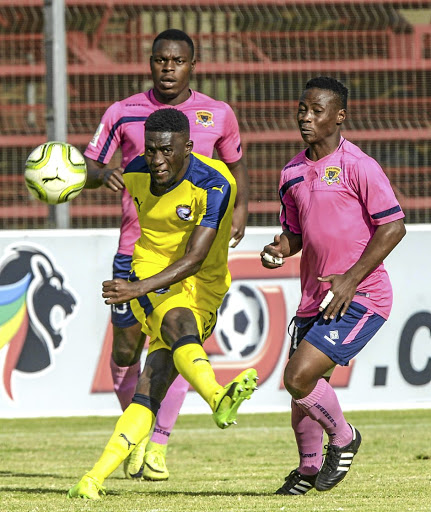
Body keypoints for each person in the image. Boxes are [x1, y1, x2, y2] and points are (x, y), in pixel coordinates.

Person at [83, 29, 248, 481]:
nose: (168, 68)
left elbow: (233, 167)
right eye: (160, 60)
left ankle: (156, 445)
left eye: (177, 61)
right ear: (150, 62)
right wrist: (104, 176)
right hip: (135, 249)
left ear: (193, 65)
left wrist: (241, 210)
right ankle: (139, 432)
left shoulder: (218, 113)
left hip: (190, 253)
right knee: (125, 350)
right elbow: (90, 166)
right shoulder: (123, 112)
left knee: (176, 336)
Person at [261, 76, 406, 495]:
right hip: (316, 298)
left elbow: (393, 227)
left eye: (316, 110)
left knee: (298, 377)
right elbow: (296, 233)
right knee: (300, 391)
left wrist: (349, 280)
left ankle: (344, 438)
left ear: (339, 116)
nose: (305, 117)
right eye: (302, 109)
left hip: (361, 295)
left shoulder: (358, 166)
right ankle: (307, 471)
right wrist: (279, 249)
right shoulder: (291, 172)